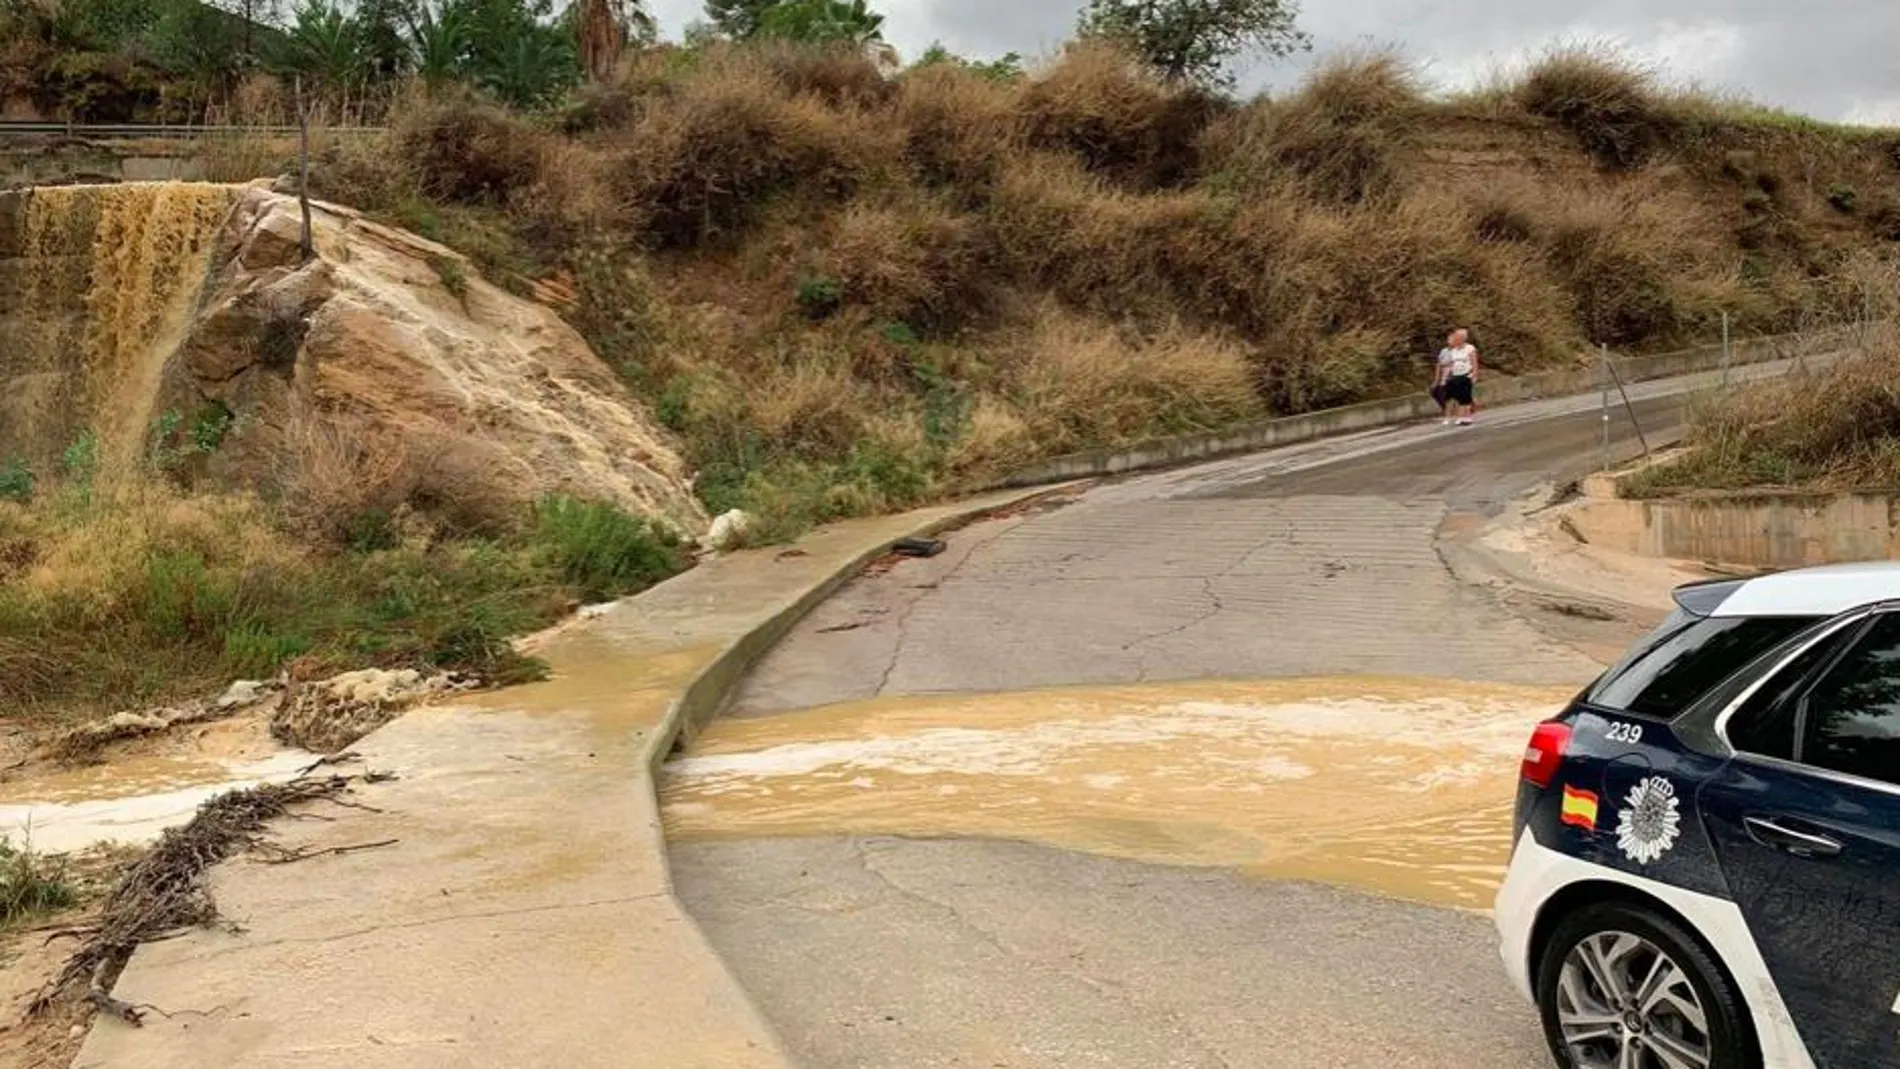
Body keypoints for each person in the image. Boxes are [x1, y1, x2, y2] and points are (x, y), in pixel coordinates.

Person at [1434, 328, 1480, 426]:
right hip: (1456, 375)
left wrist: (1475, 374)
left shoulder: (1470, 348)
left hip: (1467, 374)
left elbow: (1474, 362)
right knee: (1458, 396)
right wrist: (1445, 377)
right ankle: (1462, 416)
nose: (1456, 339)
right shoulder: (1454, 350)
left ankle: (1467, 417)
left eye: (1458, 337)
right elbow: (1450, 364)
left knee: (1465, 396)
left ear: (1463, 338)